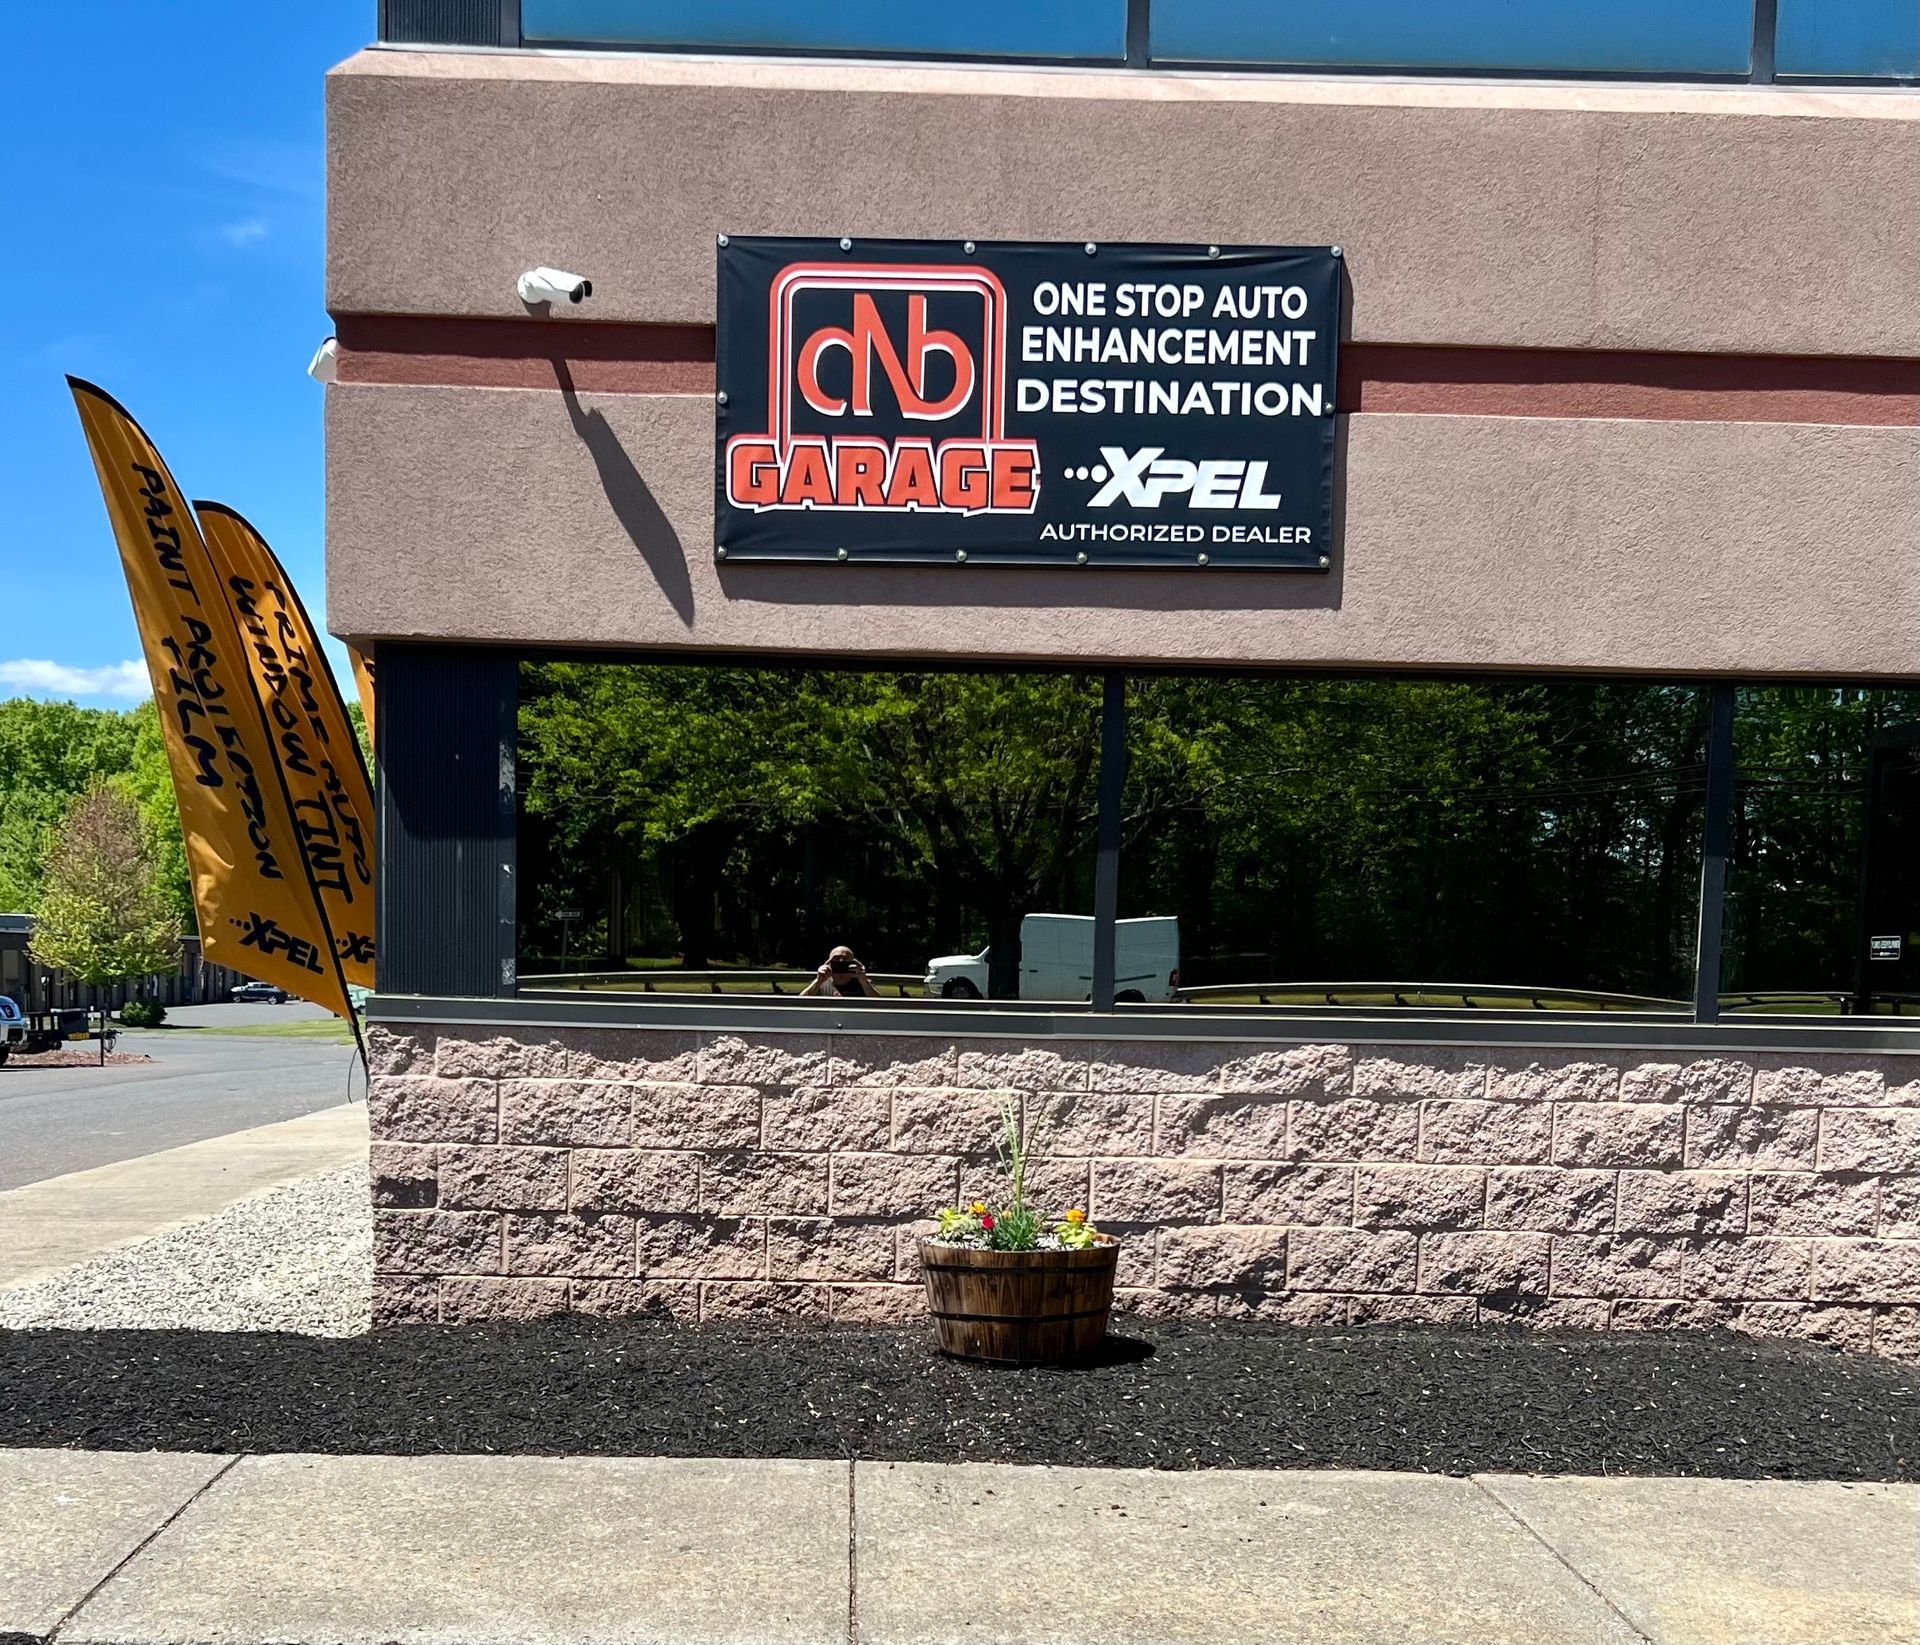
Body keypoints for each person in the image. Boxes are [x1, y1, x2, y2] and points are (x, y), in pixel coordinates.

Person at [802, 945, 880, 998]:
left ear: (853, 962)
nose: (841, 961)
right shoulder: (821, 983)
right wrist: (818, 981)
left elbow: (880, 1004)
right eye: (836, 958)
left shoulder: (863, 983)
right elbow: (800, 1002)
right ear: (829, 962)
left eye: (845, 959)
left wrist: (864, 981)